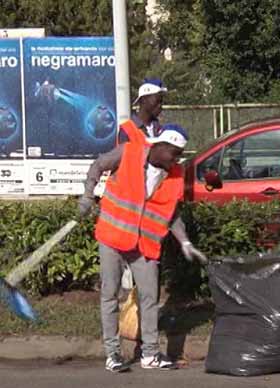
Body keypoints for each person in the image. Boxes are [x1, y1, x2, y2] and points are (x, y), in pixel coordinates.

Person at [79, 123, 207, 373]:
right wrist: (87, 194)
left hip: (144, 243)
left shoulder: (175, 174)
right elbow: (98, 165)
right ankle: (112, 353)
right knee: (110, 294)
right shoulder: (129, 152)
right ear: (160, 146)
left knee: (150, 297)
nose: (176, 160)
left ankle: (150, 353)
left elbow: (172, 213)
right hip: (113, 236)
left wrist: (185, 242)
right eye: (174, 153)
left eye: (180, 155)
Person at [117, 78, 167, 144]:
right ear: (144, 99)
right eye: (157, 101)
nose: (160, 106)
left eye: (161, 102)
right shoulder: (127, 130)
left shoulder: (160, 129)